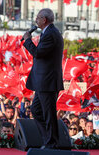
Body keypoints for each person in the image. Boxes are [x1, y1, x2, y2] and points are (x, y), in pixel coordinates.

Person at [22, 8, 64, 149]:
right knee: (37, 110)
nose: (36, 20)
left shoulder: (51, 34)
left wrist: (28, 40)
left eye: (38, 17)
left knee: (48, 113)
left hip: (48, 82)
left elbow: (38, 53)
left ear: (44, 20)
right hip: (43, 82)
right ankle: (48, 140)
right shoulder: (48, 33)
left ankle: (52, 143)